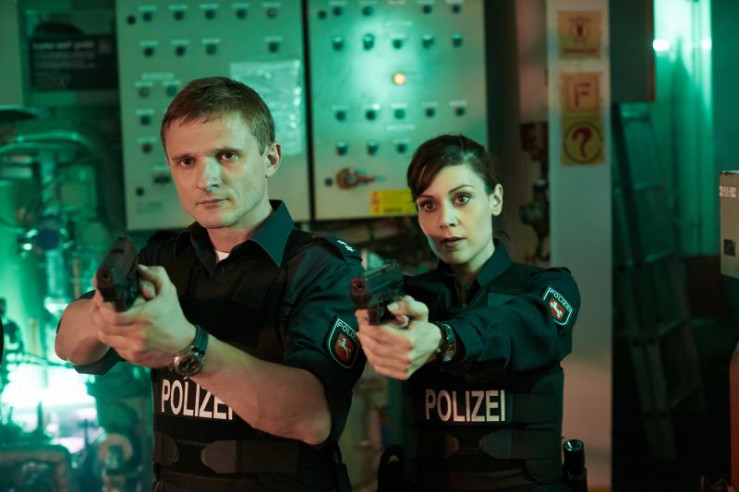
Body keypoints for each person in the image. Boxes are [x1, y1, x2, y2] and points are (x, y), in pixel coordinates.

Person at [55, 76, 366, 491]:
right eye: (187, 161)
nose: (206, 179)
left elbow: (312, 419)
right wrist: (107, 315)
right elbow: (68, 345)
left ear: (271, 158)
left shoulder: (323, 268)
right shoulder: (163, 260)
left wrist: (188, 345)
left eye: (227, 155)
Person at [355, 134, 580, 491]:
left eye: (462, 198)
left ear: (496, 199)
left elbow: (522, 324)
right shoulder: (408, 300)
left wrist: (443, 339)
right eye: (428, 205)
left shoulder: (547, 288)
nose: (445, 220)